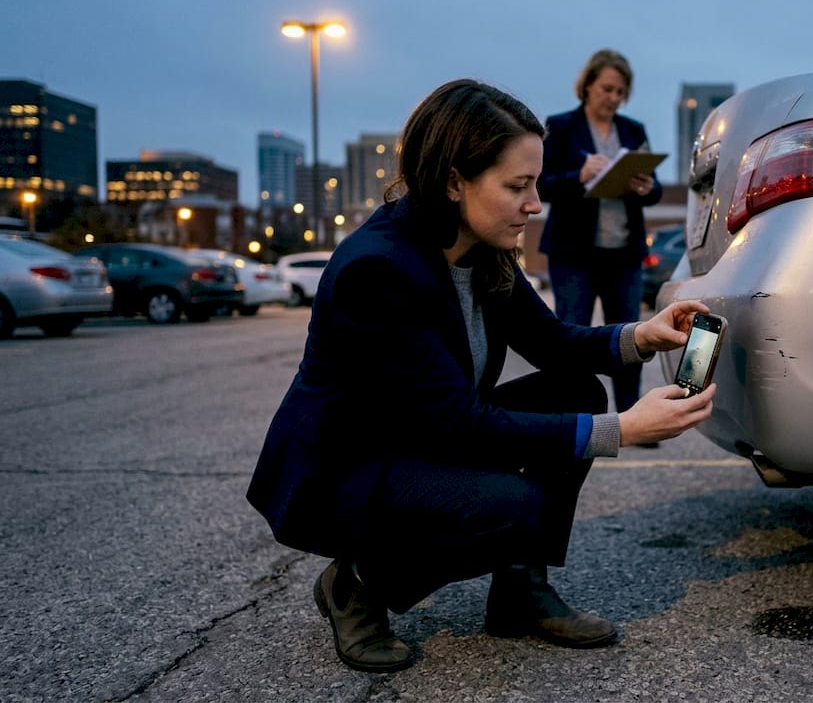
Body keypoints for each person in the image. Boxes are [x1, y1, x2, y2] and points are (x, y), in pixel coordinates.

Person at [246, 78, 716, 674]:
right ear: (453, 181)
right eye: (517, 186)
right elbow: (459, 425)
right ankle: (356, 582)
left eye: (536, 184)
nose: (535, 204)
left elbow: (552, 342)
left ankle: (520, 590)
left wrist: (642, 334)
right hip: (352, 466)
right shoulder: (378, 270)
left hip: (425, 438)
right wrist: (623, 429)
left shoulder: (480, 246)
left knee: (575, 390)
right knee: (517, 507)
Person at [537, 49, 662, 432]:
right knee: (570, 332)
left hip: (624, 254)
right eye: (607, 89)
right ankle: (569, 415)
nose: (614, 98)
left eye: (620, 92)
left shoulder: (633, 130)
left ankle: (633, 419)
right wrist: (578, 176)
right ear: (588, 85)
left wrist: (645, 186)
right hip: (573, 255)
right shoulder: (560, 126)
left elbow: (655, 191)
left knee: (630, 335)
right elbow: (540, 185)